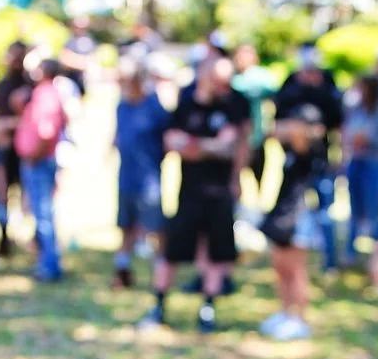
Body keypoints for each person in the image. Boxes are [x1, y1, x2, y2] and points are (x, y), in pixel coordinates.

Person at [145, 54, 250, 331]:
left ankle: (207, 310)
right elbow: (172, 141)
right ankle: (159, 306)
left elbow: (229, 145)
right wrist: (206, 146)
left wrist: (196, 146)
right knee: (172, 251)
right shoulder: (186, 104)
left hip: (219, 193)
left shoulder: (231, 106)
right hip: (188, 193)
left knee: (217, 253)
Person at [259, 46, 343, 340]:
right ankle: (285, 310)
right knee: (280, 258)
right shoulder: (290, 89)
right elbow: (273, 129)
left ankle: (300, 316)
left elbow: (325, 131)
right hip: (286, 192)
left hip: (305, 196)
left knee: (296, 261)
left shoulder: (327, 94)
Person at [111, 60, 170, 289]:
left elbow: (167, 138)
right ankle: (122, 269)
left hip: (148, 179)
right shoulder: (122, 106)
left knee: (155, 228)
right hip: (126, 176)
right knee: (125, 226)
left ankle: (161, 272)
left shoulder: (153, 107)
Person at [13, 54, 70, 283]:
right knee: (42, 212)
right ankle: (46, 260)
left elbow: (46, 131)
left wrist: (34, 154)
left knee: (43, 212)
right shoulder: (47, 93)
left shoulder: (46, 94)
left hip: (40, 161)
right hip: (40, 159)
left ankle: (49, 264)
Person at [0, 41, 30, 256]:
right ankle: (3, 236)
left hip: (25, 151)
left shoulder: (30, 86)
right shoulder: (3, 86)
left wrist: (11, 123)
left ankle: (30, 239)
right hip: (4, 149)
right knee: (1, 195)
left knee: (26, 197)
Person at [342, 74, 378, 246]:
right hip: (356, 160)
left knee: (373, 208)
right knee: (354, 207)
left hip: (374, 162)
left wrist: (370, 140)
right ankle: (351, 248)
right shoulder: (356, 109)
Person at [230, 44, 276, 195]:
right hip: (236, 135)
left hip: (255, 134)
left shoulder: (259, 77)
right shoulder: (233, 77)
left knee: (258, 173)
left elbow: (272, 92)